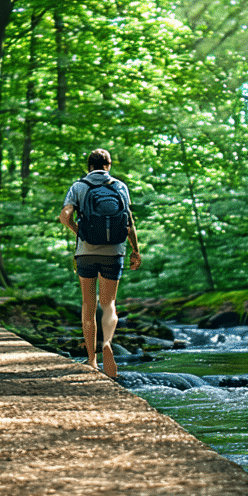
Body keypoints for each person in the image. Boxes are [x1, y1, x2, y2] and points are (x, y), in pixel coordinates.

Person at [58, 149, 141, 378]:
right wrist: (135, 251)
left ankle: (92, 360)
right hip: (114, 253)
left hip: (86, 253)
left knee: (88, 305)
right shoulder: (120, 186)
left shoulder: (79, 186)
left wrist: (79, 231)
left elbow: (65, 215)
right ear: (108, 165)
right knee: (109, 304)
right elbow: (129, 221)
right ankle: (107, 344)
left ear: (89, 166)